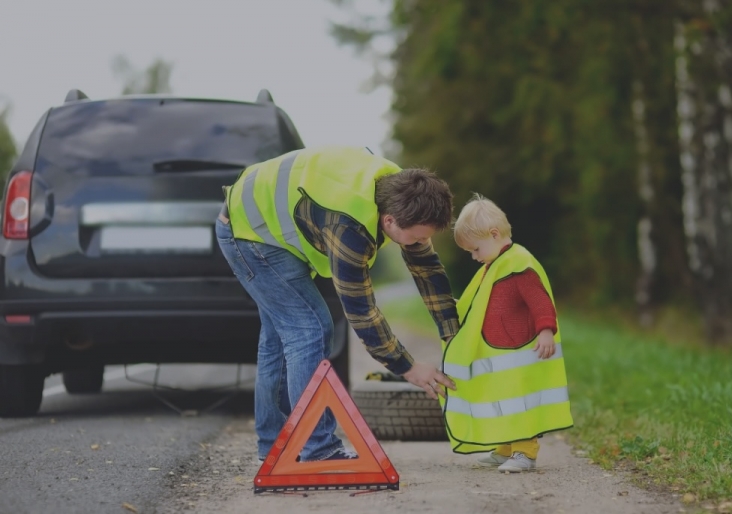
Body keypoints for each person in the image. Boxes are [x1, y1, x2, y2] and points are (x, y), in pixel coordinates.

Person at [215, 146, 458, 463]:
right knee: (310, 329)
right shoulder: (349, 226)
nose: (418, 244)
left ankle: (274, 446)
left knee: (278, 338)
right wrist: (407, 367)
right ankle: (318, 449)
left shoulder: (404, 192)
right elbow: (361, 311)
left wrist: (453, 335)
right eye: (415, 238)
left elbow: (427, 270)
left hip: (258, 220)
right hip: (248, 233)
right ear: (389, 220)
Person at [442, 193, 572, 473]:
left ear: (494, 234)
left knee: (520, 404)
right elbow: (475, 303)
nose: (475, 257)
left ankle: (525, 453)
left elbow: (539, 301)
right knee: (503, 401)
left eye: (475, 250)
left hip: (521, 353)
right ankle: (504, 449)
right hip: (500, 353)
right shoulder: (494, 265)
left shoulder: (519, 264)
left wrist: (546, 330)